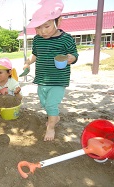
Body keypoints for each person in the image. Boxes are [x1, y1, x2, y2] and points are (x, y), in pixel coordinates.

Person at [23, 0, 79, 141]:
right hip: (42, 79)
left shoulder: (66, 39)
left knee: (51, 104)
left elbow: (75, 55)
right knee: (44, 103)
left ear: (58, 21)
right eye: (38, 28)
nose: (42, 31)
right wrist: (28, 62)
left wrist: (70, 58)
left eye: (46, 26)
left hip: (58, 80)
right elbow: (35, 54)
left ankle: (51, 127)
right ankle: (55, 117)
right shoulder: (37, 39)